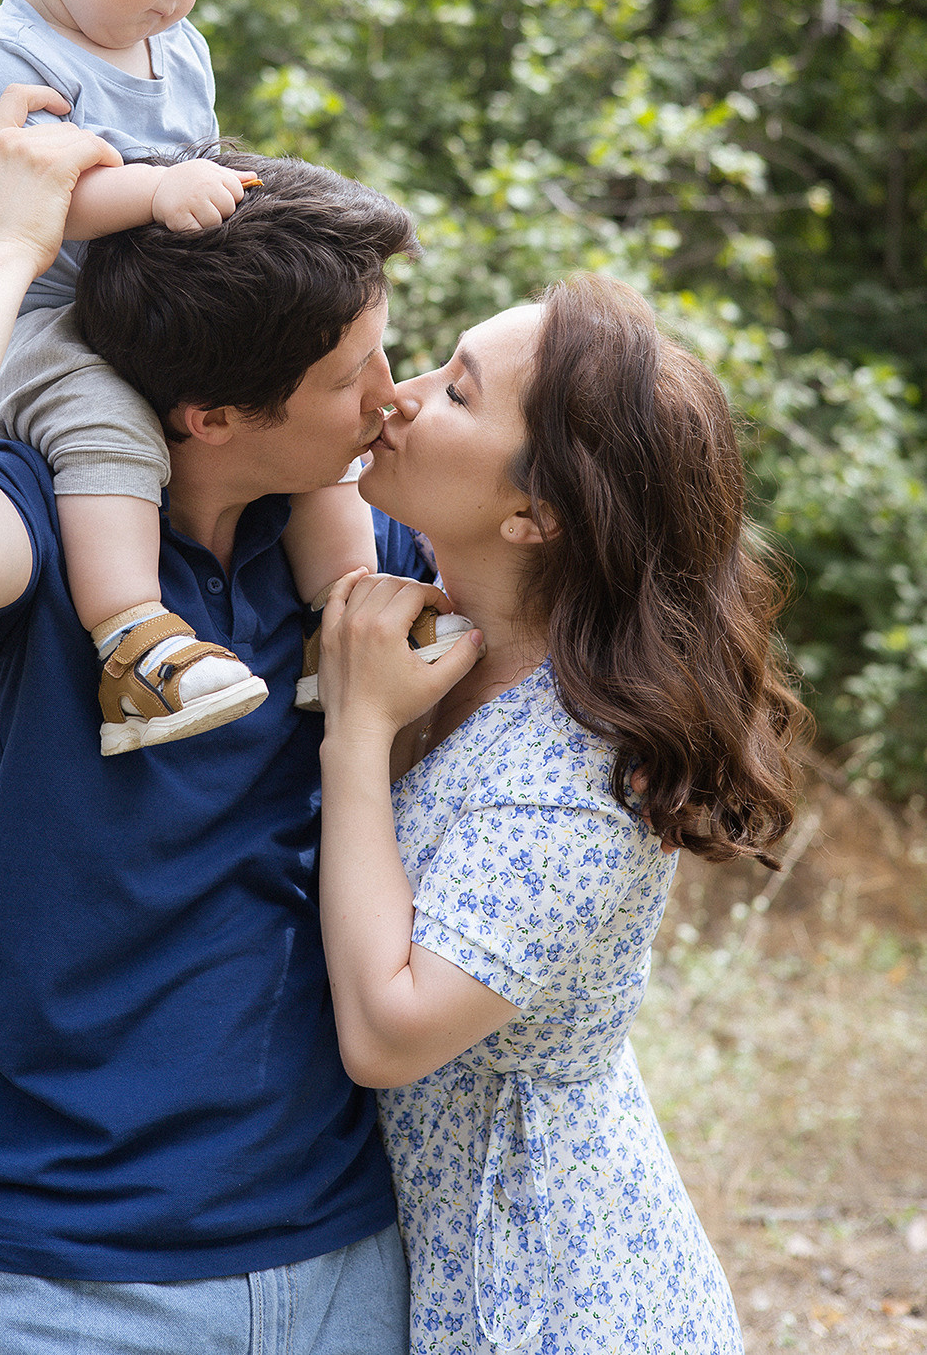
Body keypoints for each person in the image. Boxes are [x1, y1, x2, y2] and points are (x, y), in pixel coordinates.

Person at [0, 87, 439, 1355]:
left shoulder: (348, 549)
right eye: (350, 369)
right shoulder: (29, 534)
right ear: (210, 417)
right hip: (67, 1285)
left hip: (350, 1255)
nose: (393, 390)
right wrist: (5, 251)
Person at [314, 277, 806, 1354]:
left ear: (536, 513)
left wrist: (354, 735)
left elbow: (391, 1030)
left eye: (455, 391)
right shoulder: (455, 649)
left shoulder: (581, 769)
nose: (398, 395)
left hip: (558, 1299)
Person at [0, 0, 385, 754]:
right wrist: (155, 191)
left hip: (161, 307)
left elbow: (202, 167)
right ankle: (135, 641)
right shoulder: (8, 52)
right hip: (53, 318)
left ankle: (346, 614)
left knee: (298, 412)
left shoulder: (176, 46)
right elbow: (29, 204)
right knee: (113, 430)